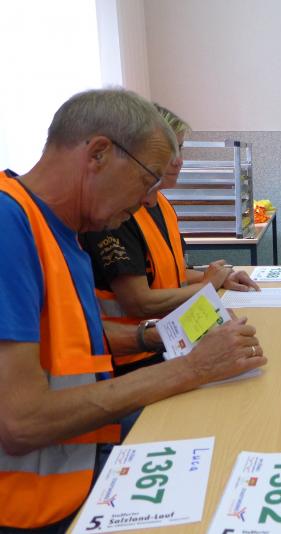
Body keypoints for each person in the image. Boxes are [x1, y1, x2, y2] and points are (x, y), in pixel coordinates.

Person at [0, 89, 267, 532]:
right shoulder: (9, 226)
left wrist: (153, 337)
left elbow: (66, 342)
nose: (148, 200)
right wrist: (192, 368)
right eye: (147, 180)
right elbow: (21, 422)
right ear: (99, 153)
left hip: (80, 464)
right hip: (34, 510)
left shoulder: (61, 230)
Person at [80, 104, 259, 375]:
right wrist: (207, 287)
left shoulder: (161, 204)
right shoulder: (116, 214)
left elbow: (168, 272)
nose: (178, 160)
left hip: (166, 345)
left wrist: (219, 277)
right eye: (169, 151)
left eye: (180, 149)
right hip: (132, 362)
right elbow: (139, 301)